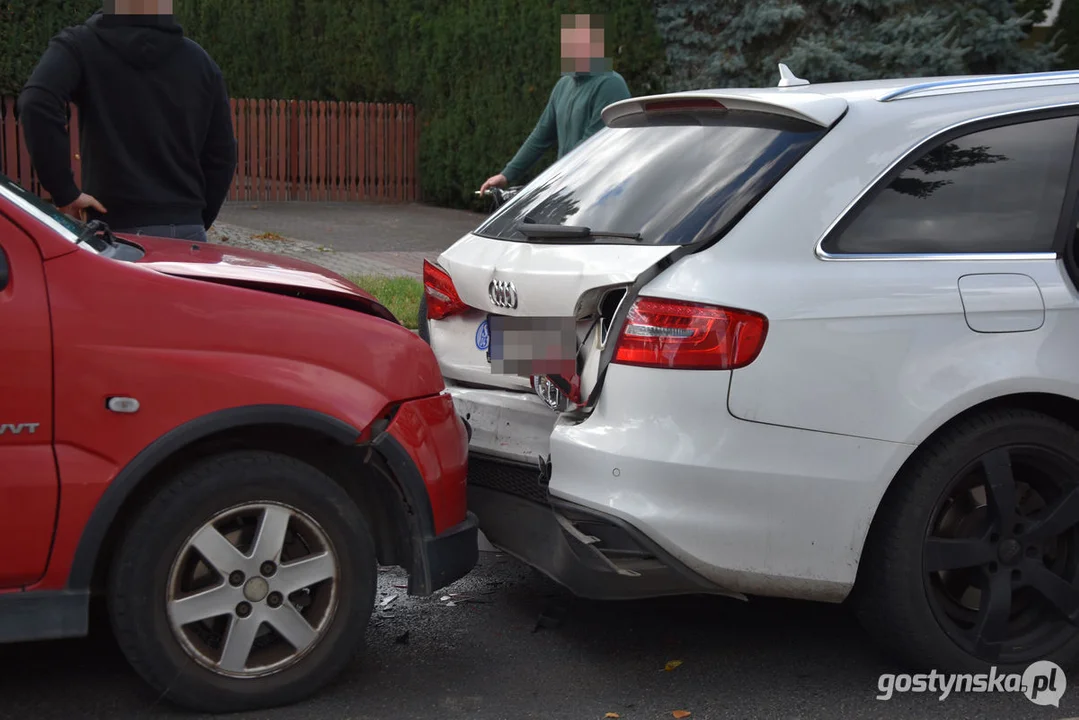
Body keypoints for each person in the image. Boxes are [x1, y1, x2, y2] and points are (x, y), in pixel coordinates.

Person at [17, 0, 236, 242]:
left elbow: (37, 102)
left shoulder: (81, 46)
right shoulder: (201, 63)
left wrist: (64, 192)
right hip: (187, 230)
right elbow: (222, 154)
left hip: (115, 233)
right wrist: (194, 218)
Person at [479, 13, 631, 194]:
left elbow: (591, 145)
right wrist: (506, 175)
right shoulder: (563, 85)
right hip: (569, 187)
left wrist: (551, 182)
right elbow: (541, 136)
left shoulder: (610, 84)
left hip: (601, 192)